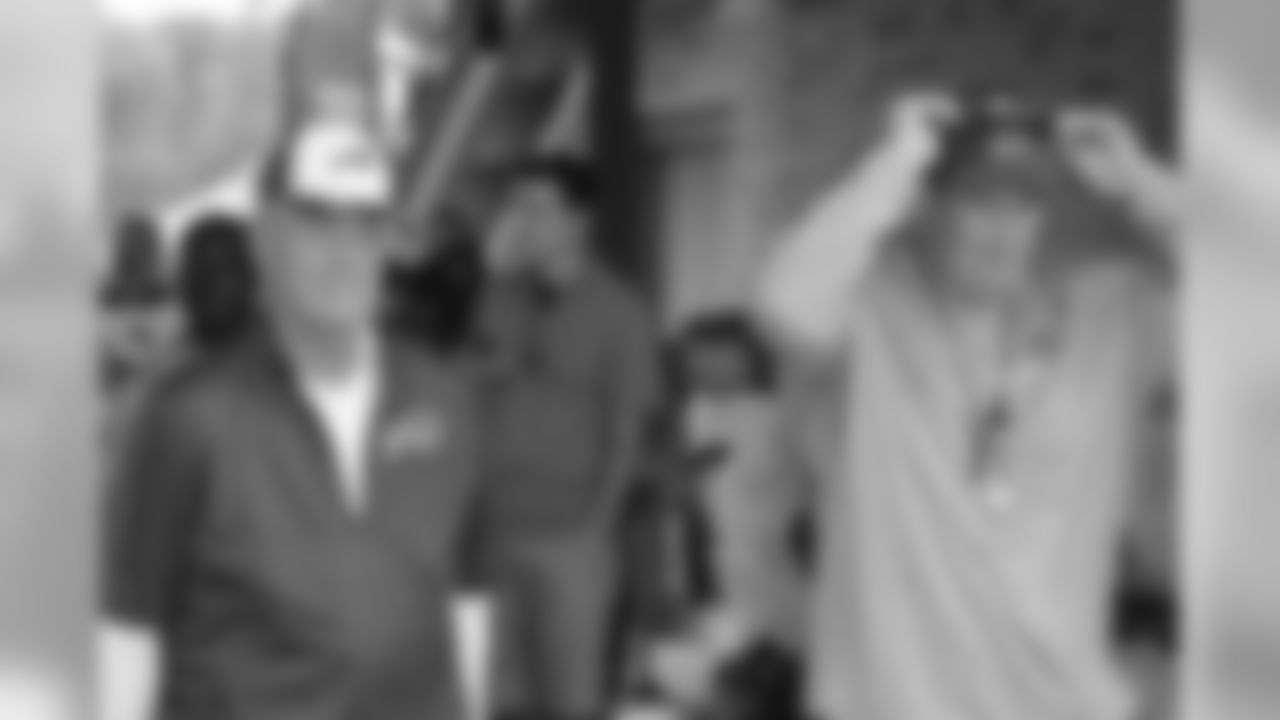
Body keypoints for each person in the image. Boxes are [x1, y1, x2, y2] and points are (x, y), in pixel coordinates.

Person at [756, 91, 1177, 720]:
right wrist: (896, 162)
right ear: (927, 207)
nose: (1002, 230)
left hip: (1059, 699)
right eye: (977, 201)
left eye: (1025, 203)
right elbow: (784, 304)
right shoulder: (872, 307)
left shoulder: (1108, 314)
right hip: (894, 700)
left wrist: (1141, 182)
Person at [100, 116, 482, 720]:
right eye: (317, 221)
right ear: (266, 239)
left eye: (366, 224)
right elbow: (126, 629)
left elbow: (463, 601)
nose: (344, 250)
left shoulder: (447, 403)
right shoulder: (186, 415)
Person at [478, 155, 661, 720]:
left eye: (539, 208)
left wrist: (596, 529)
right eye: (517, 207)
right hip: (494, 528)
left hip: (572, 532)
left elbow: (627, 430)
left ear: (579, 219)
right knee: (498, 698)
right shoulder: (494, 299)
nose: (524, 221)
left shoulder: (621, 311)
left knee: (571, 696)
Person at [671, 312, 805, 652]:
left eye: (720, 359)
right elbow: (700, 478)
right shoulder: (697, 410)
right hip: (726, 560)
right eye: (697, 361)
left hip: (783, 564)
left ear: (749, 359)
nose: (706, 371)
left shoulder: (781, 412)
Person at [177, 213, 258, 354]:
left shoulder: (277, 354)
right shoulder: (171, 354)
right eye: (202, 270)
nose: (211, 285)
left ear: (248, 277)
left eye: (222, 270)